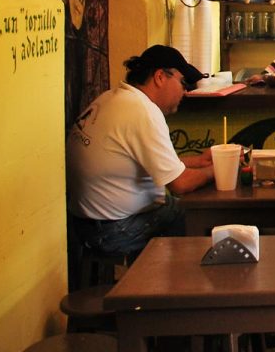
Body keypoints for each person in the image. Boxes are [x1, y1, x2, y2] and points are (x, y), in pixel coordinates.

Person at [66, 45, 215, 257]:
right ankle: (168, 287)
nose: (185, 91)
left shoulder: (114, 98)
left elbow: (150, 164)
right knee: (194, 215)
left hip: (86, 221)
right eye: (183, 83)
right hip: (112, 230)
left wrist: (199, 161)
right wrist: (216, 171)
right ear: (160, 77)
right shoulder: (142, 111)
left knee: (179, 209)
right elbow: (180, 184)